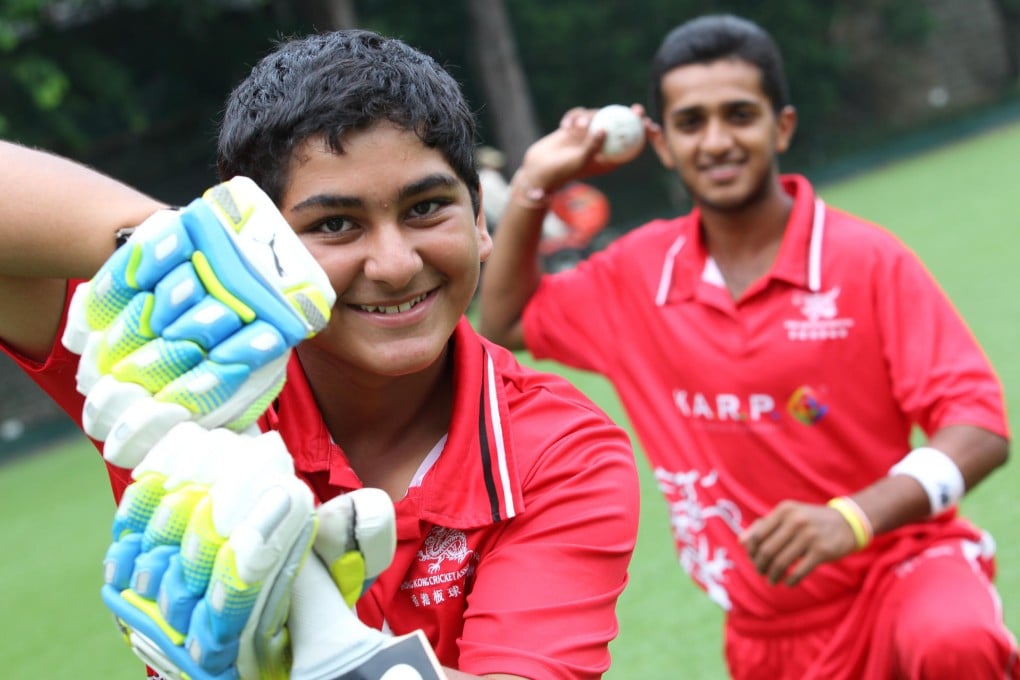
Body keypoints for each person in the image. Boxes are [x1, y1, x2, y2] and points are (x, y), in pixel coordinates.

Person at [0, 28, 641, 679]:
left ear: (479, 219)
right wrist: (194, 259)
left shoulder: (563, 451)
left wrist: (327, 650)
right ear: (257, 233)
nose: (394, 264)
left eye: (426, 208)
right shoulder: (176, 363)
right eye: (335, 224)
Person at [478, 13, 1017, 680]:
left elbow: (980, 426)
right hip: (767, 635)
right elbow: (504, 320)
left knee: (954, 641)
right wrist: (535, 182)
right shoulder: (637, 274)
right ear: (663, 143)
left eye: (739, 115)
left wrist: (851, 518)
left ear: (780, 126)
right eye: (692, 122)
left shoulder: (864, 259)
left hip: (904, 576)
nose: (717, 141)